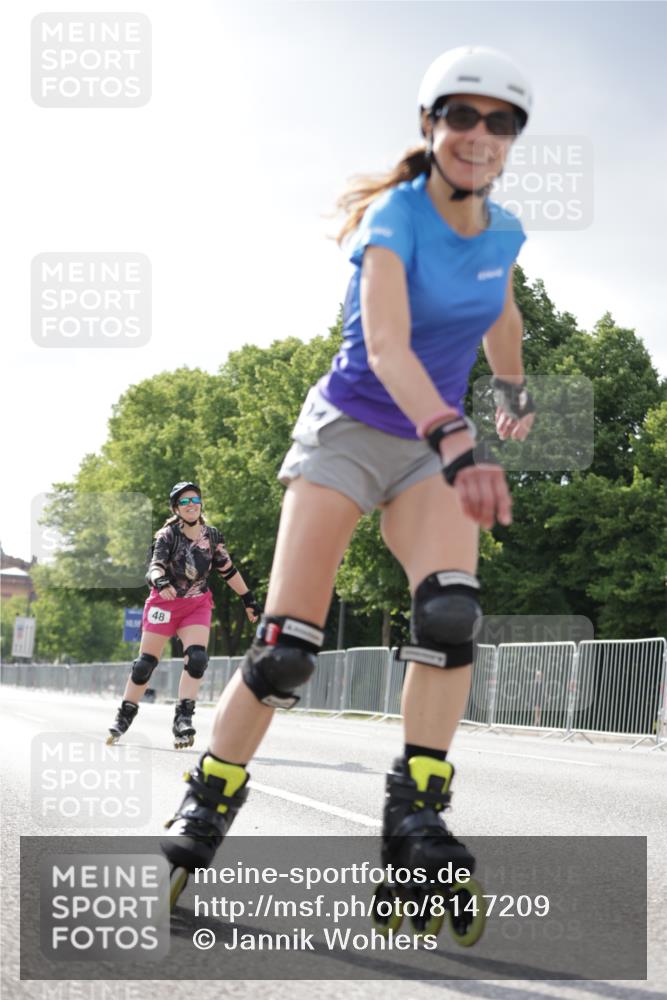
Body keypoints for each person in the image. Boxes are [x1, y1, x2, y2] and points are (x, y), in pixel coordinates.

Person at [162, 45, 536, 916]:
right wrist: (456, 433)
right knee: (287, 648)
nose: (480, 136)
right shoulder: (392, 219)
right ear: (429, 125)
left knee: (450, 614)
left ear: (514, 138)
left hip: (427, 452)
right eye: (462, 116)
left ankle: (415, 825)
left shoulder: (504, 232)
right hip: (349, 431)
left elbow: (502, 311)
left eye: (501, 122)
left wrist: (511, 389)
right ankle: (207, 804)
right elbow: (386, 347)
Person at [107, 481, 260, 748]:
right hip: (163, 605)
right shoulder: (168, 535)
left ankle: (183, 718)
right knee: (145, 664)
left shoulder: (212, 536)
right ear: (176, 508)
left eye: (195, 500)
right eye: (185, 502)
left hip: (196, 604)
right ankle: (125, 715)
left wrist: (248, 598)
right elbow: (155, 566)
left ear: (201, 504)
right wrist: (161, 582)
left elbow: (228, 570)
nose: (191, 505)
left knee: (197, 658)